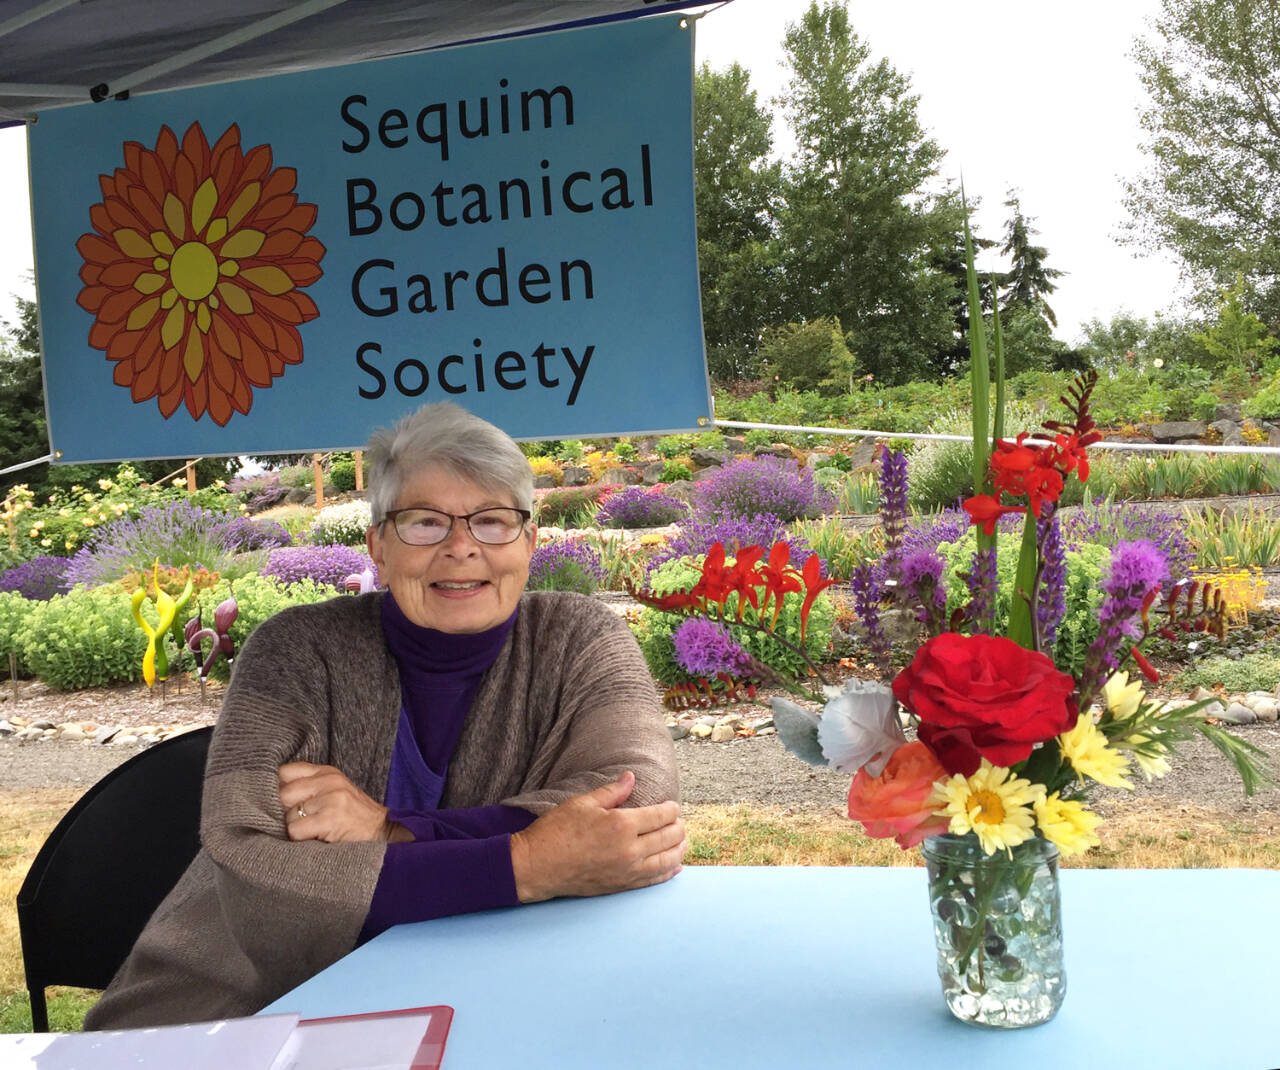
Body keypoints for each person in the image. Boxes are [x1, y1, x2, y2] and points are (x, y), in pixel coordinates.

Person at [85, 402, 684, 1029]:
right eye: (424, 522)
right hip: (249, 1004)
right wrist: (529, 862)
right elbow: (250, 862)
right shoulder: (292, 650)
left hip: (514, 995)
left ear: (529, 542)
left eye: (492, 521)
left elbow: (633, 812)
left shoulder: (582, 637)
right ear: (378, 544)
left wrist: (388, 833)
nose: (461, 548)